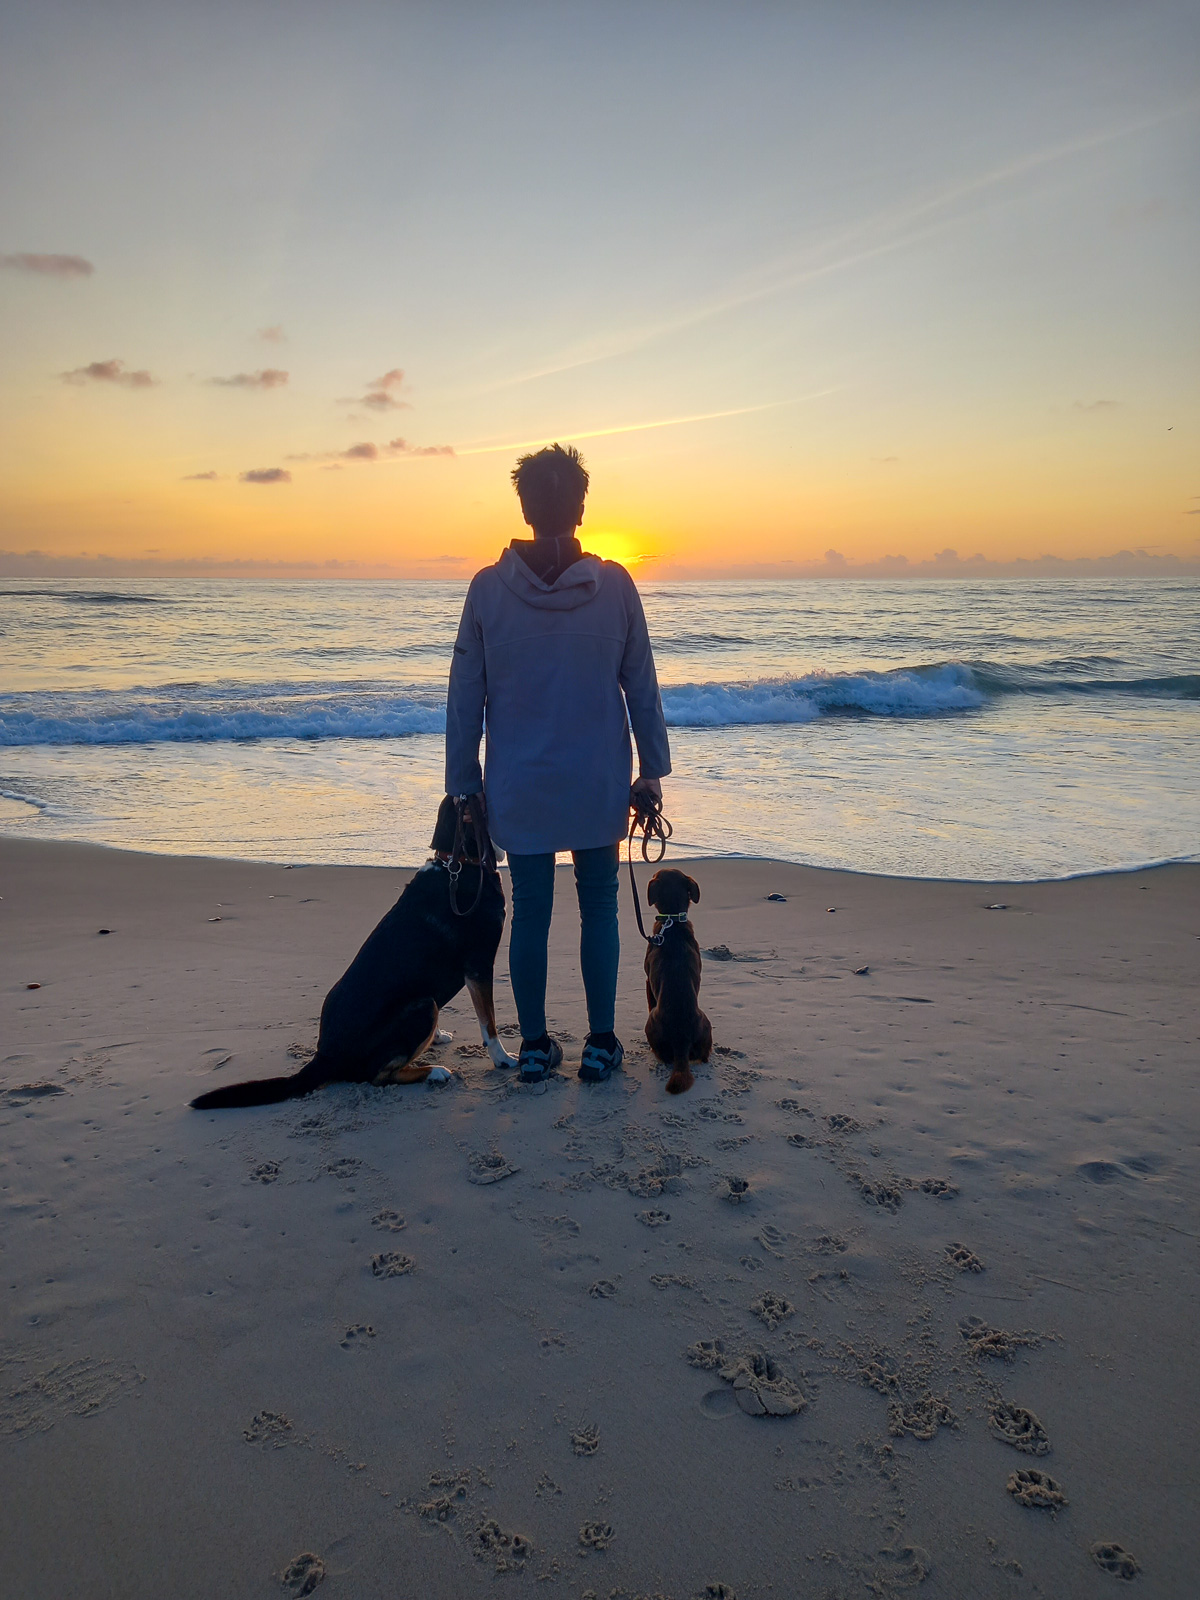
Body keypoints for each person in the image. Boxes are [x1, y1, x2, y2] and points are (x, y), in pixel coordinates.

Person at [444, 442, 671, 1083]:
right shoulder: (616, 586)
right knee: (599, 903)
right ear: (581, 508)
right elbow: (642, 684)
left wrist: (463, 784)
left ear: (524, 508)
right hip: (596, 778)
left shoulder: (487, 590)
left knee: (531, 910)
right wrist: (651, 769)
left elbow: (464, 697)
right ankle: (600, 1043)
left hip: (520, 783)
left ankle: (538, 1046)